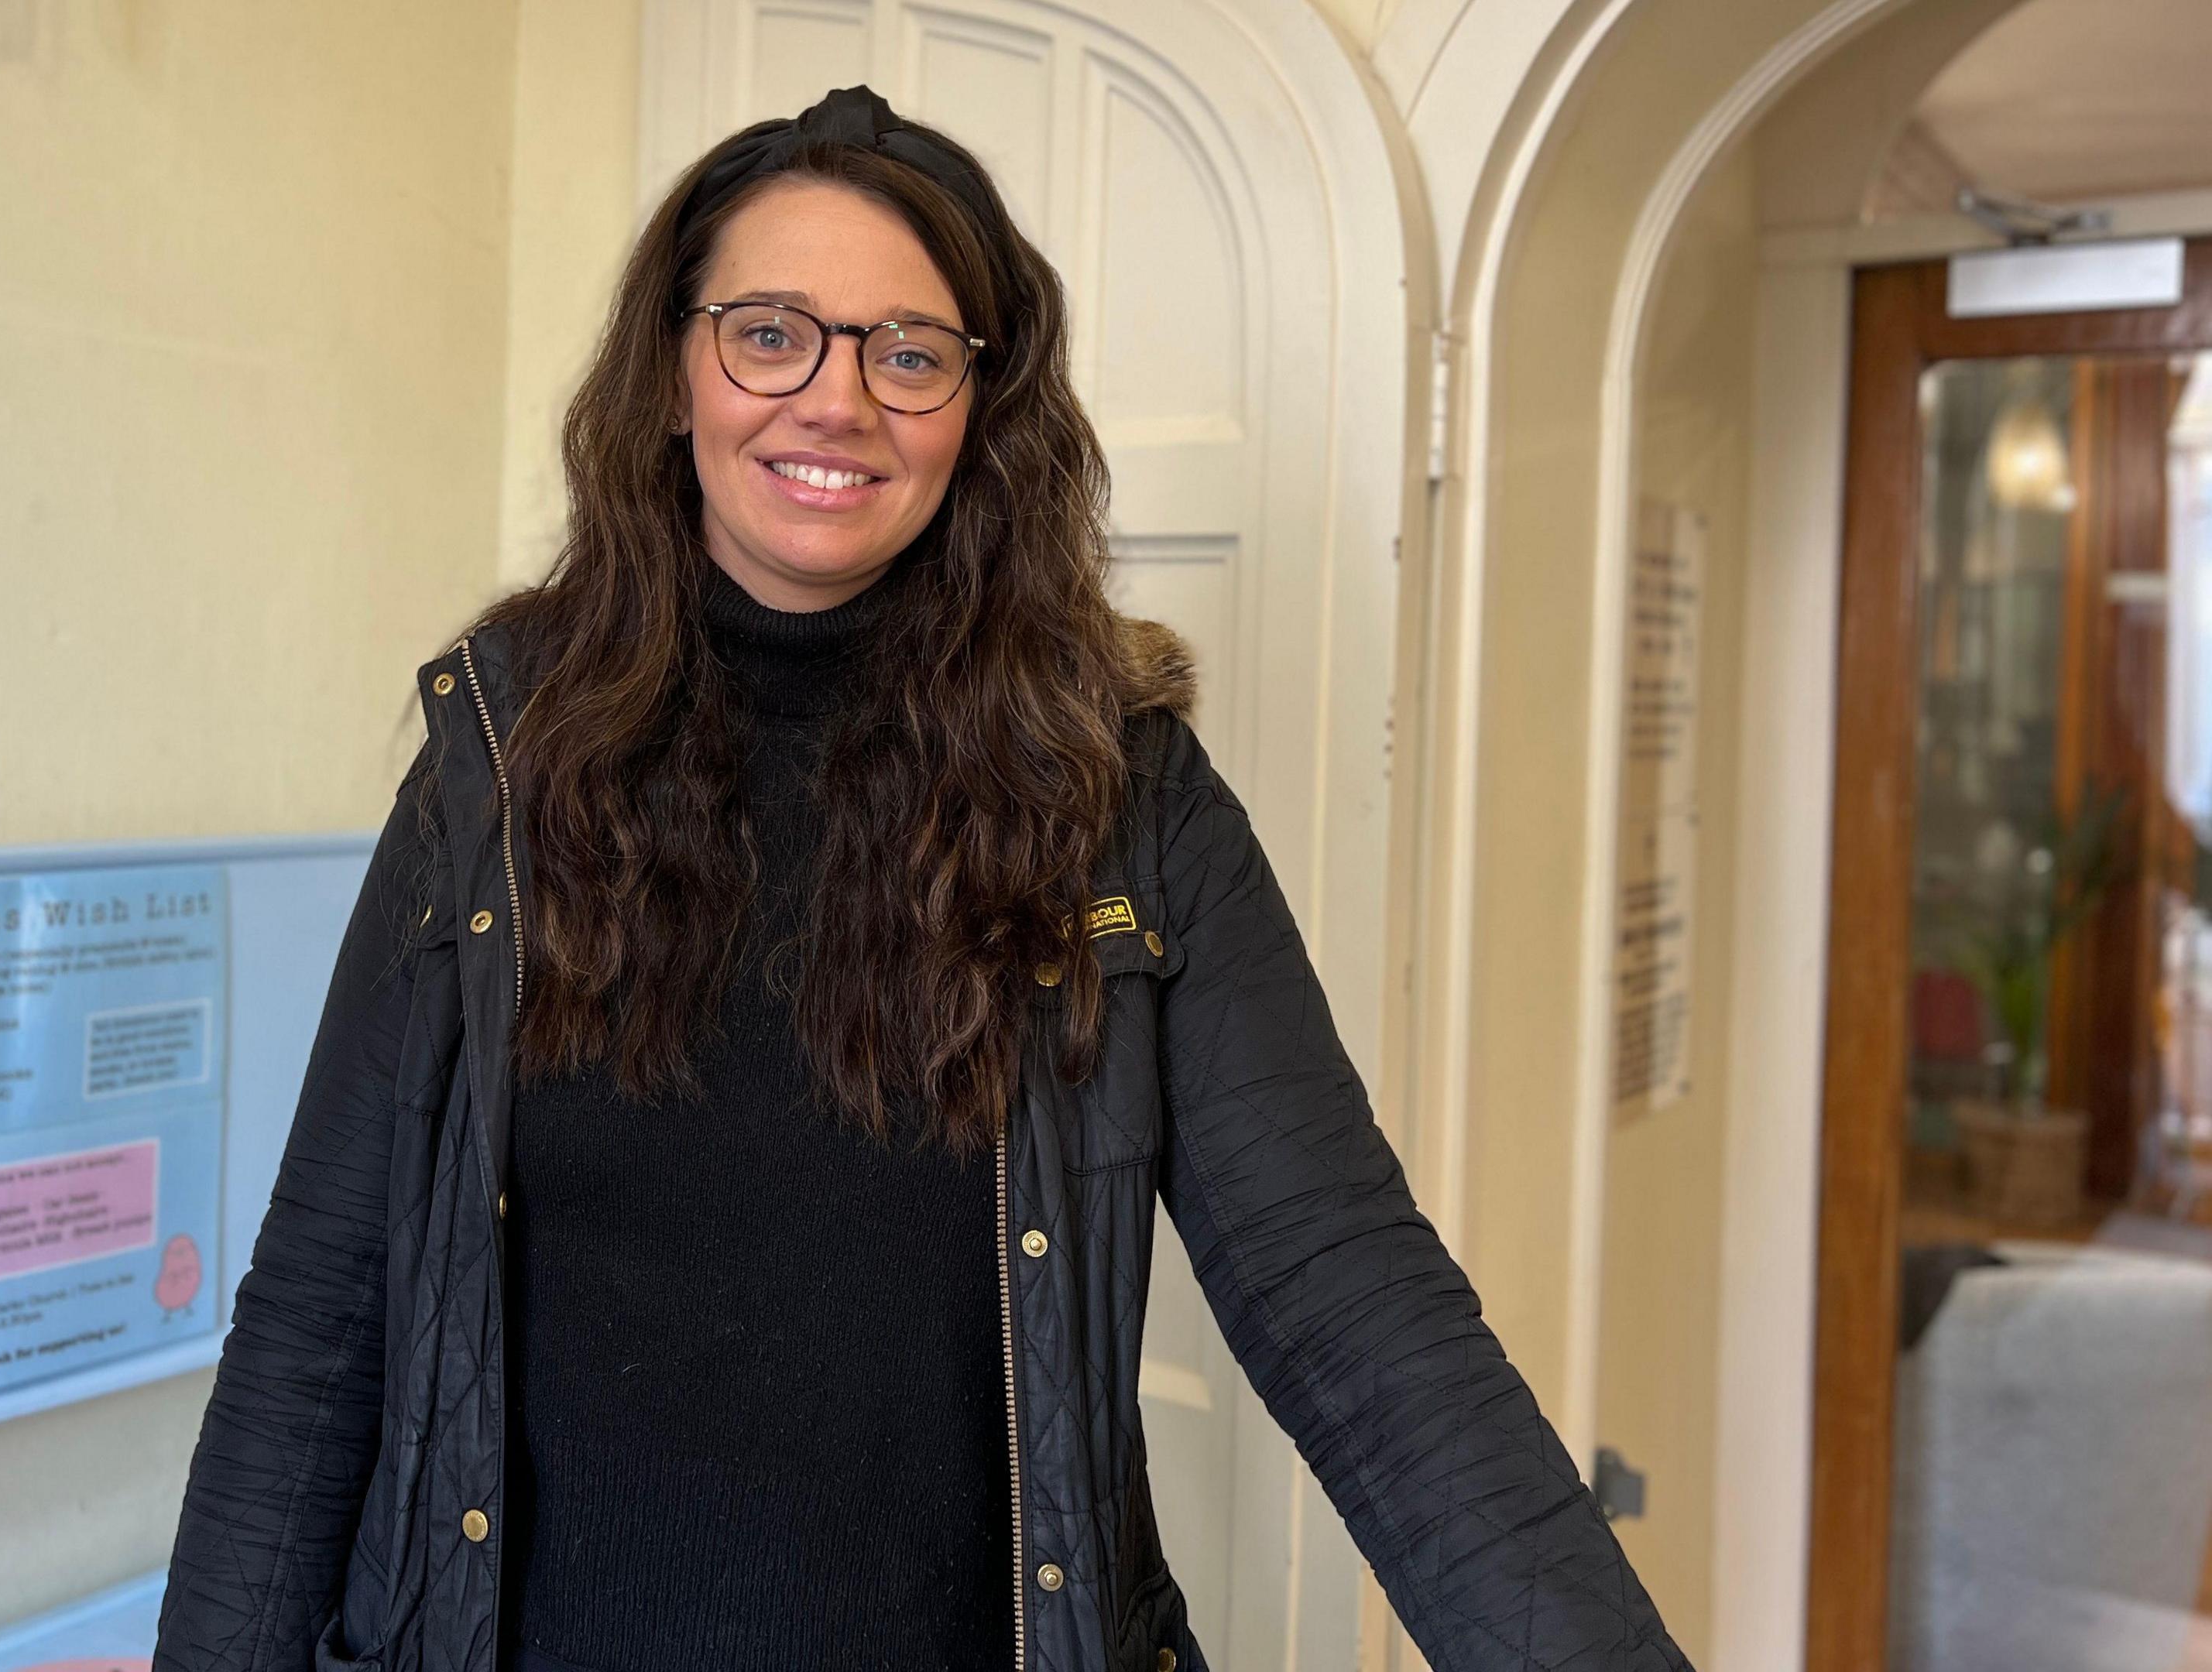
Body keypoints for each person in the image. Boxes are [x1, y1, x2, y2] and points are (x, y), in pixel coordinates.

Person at [154, 85, 1692, 1672]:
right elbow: (318, 1323)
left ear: (979, 409)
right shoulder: (500, 764)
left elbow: (1357, 1310)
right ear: (674, 376)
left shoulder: (1115, 791)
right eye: (771, 334)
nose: (837, 401)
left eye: (908, 352)